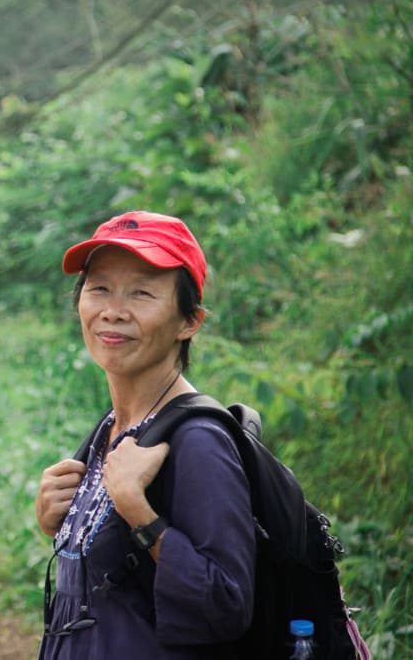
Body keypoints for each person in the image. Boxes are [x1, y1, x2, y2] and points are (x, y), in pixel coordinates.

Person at [34, 211, 256, 659]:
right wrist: (57, 523)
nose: (113, 311)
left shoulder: (199, 443)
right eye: (99, 289)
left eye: (142, 292)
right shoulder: (108, 429)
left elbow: (228, 606)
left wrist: (138, 511)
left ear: (189, 321)